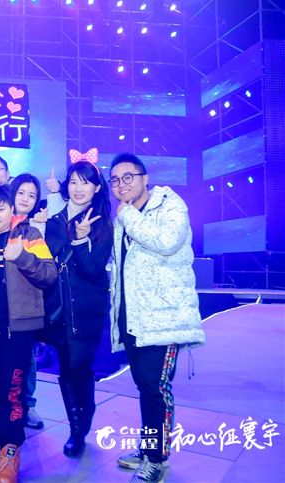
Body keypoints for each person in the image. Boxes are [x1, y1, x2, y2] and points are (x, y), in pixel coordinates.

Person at [108, 153, 206, 483]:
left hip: (164, 319)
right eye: (115, 180)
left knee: (155, 387)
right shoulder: (124, 218)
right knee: (145, 386)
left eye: (128, 177)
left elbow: (165, 243)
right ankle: (149, 447)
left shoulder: (169, 205)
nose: (121, 184)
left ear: (145, 178)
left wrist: (127, 215)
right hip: (135, 318)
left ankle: (156, 460)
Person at [0, 184, 57, 483]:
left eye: (0, 208)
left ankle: (10, 449)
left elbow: (49, 275)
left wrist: (22, 257)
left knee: (10, 390)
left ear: (11, 209)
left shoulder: (29, 235)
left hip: (15, 329)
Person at [40, 162, 113, 458]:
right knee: (65, 367)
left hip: (85, 309)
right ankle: (76, 429)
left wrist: (82, 239)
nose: (78, 188)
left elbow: (92, 269)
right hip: (56, 305)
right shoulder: (54, 217)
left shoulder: (103, 222)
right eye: (73, 182)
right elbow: (45, 257)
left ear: (97, 187)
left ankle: (83, 419)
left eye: (85, 182)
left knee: (80, 367)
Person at [9, 173, 47, 431]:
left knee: (26, 360)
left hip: (26, 306)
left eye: (31, 195)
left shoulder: (35, 229)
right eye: (21, 193)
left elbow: (46, 271)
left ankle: (28, 404)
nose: (25, 199)